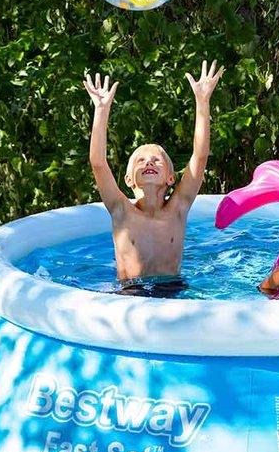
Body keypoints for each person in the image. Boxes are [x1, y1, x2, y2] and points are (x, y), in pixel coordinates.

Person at [82, 60, 224, 294]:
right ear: (128, 180)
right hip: (130, 291)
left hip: (172, 288)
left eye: (157, 160)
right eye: (140, 160)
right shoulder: (121, 210)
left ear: (171, 178)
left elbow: (199, 157)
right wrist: (101, 110)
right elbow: (98, 163)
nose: (149, 162)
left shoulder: (178, 208)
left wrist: (203, 102)